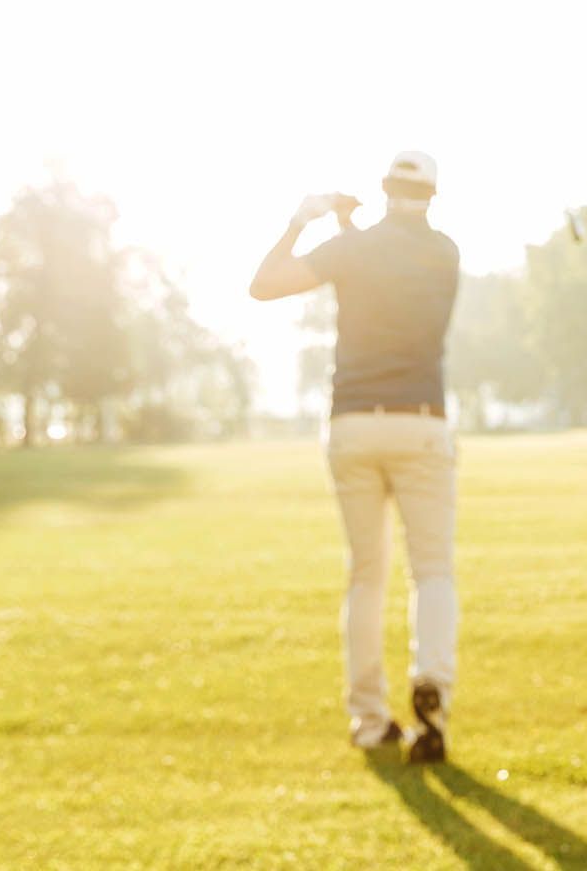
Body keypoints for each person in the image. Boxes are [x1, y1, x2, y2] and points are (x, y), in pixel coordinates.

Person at [249, 151, 461, 762]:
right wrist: (349, 231)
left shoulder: (354, 248)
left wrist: (304, 220)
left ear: (385, 189)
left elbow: (264, 285)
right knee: (433, 573)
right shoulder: (444, 252)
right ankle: (433, 697)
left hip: (353, 426)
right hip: (422, 425)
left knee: (367, 575)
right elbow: (390, 275)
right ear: (433, 195)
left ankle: (370, 720)